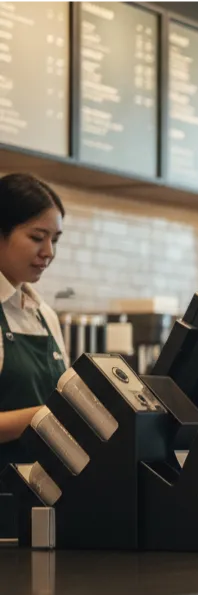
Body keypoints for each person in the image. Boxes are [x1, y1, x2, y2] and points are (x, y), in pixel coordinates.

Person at [0, 173, 67, 471]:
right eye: (37, 238)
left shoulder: (44, 314)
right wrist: (48, 416)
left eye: (54, 240)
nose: (49, 252)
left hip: (42, 493)